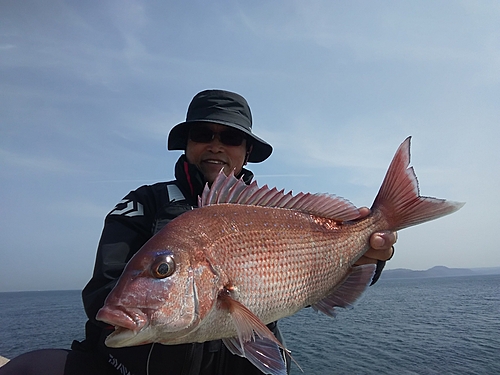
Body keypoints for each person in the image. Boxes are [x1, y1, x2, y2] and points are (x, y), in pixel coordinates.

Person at [0, 89, 396, 375]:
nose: (215, 146)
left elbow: (305, 289)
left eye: (230, 137)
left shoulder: (269, 214)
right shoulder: (144, 203)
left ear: (245, 150)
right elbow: (104, 289)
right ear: (186, 144)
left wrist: (362, 256)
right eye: (202, 134)